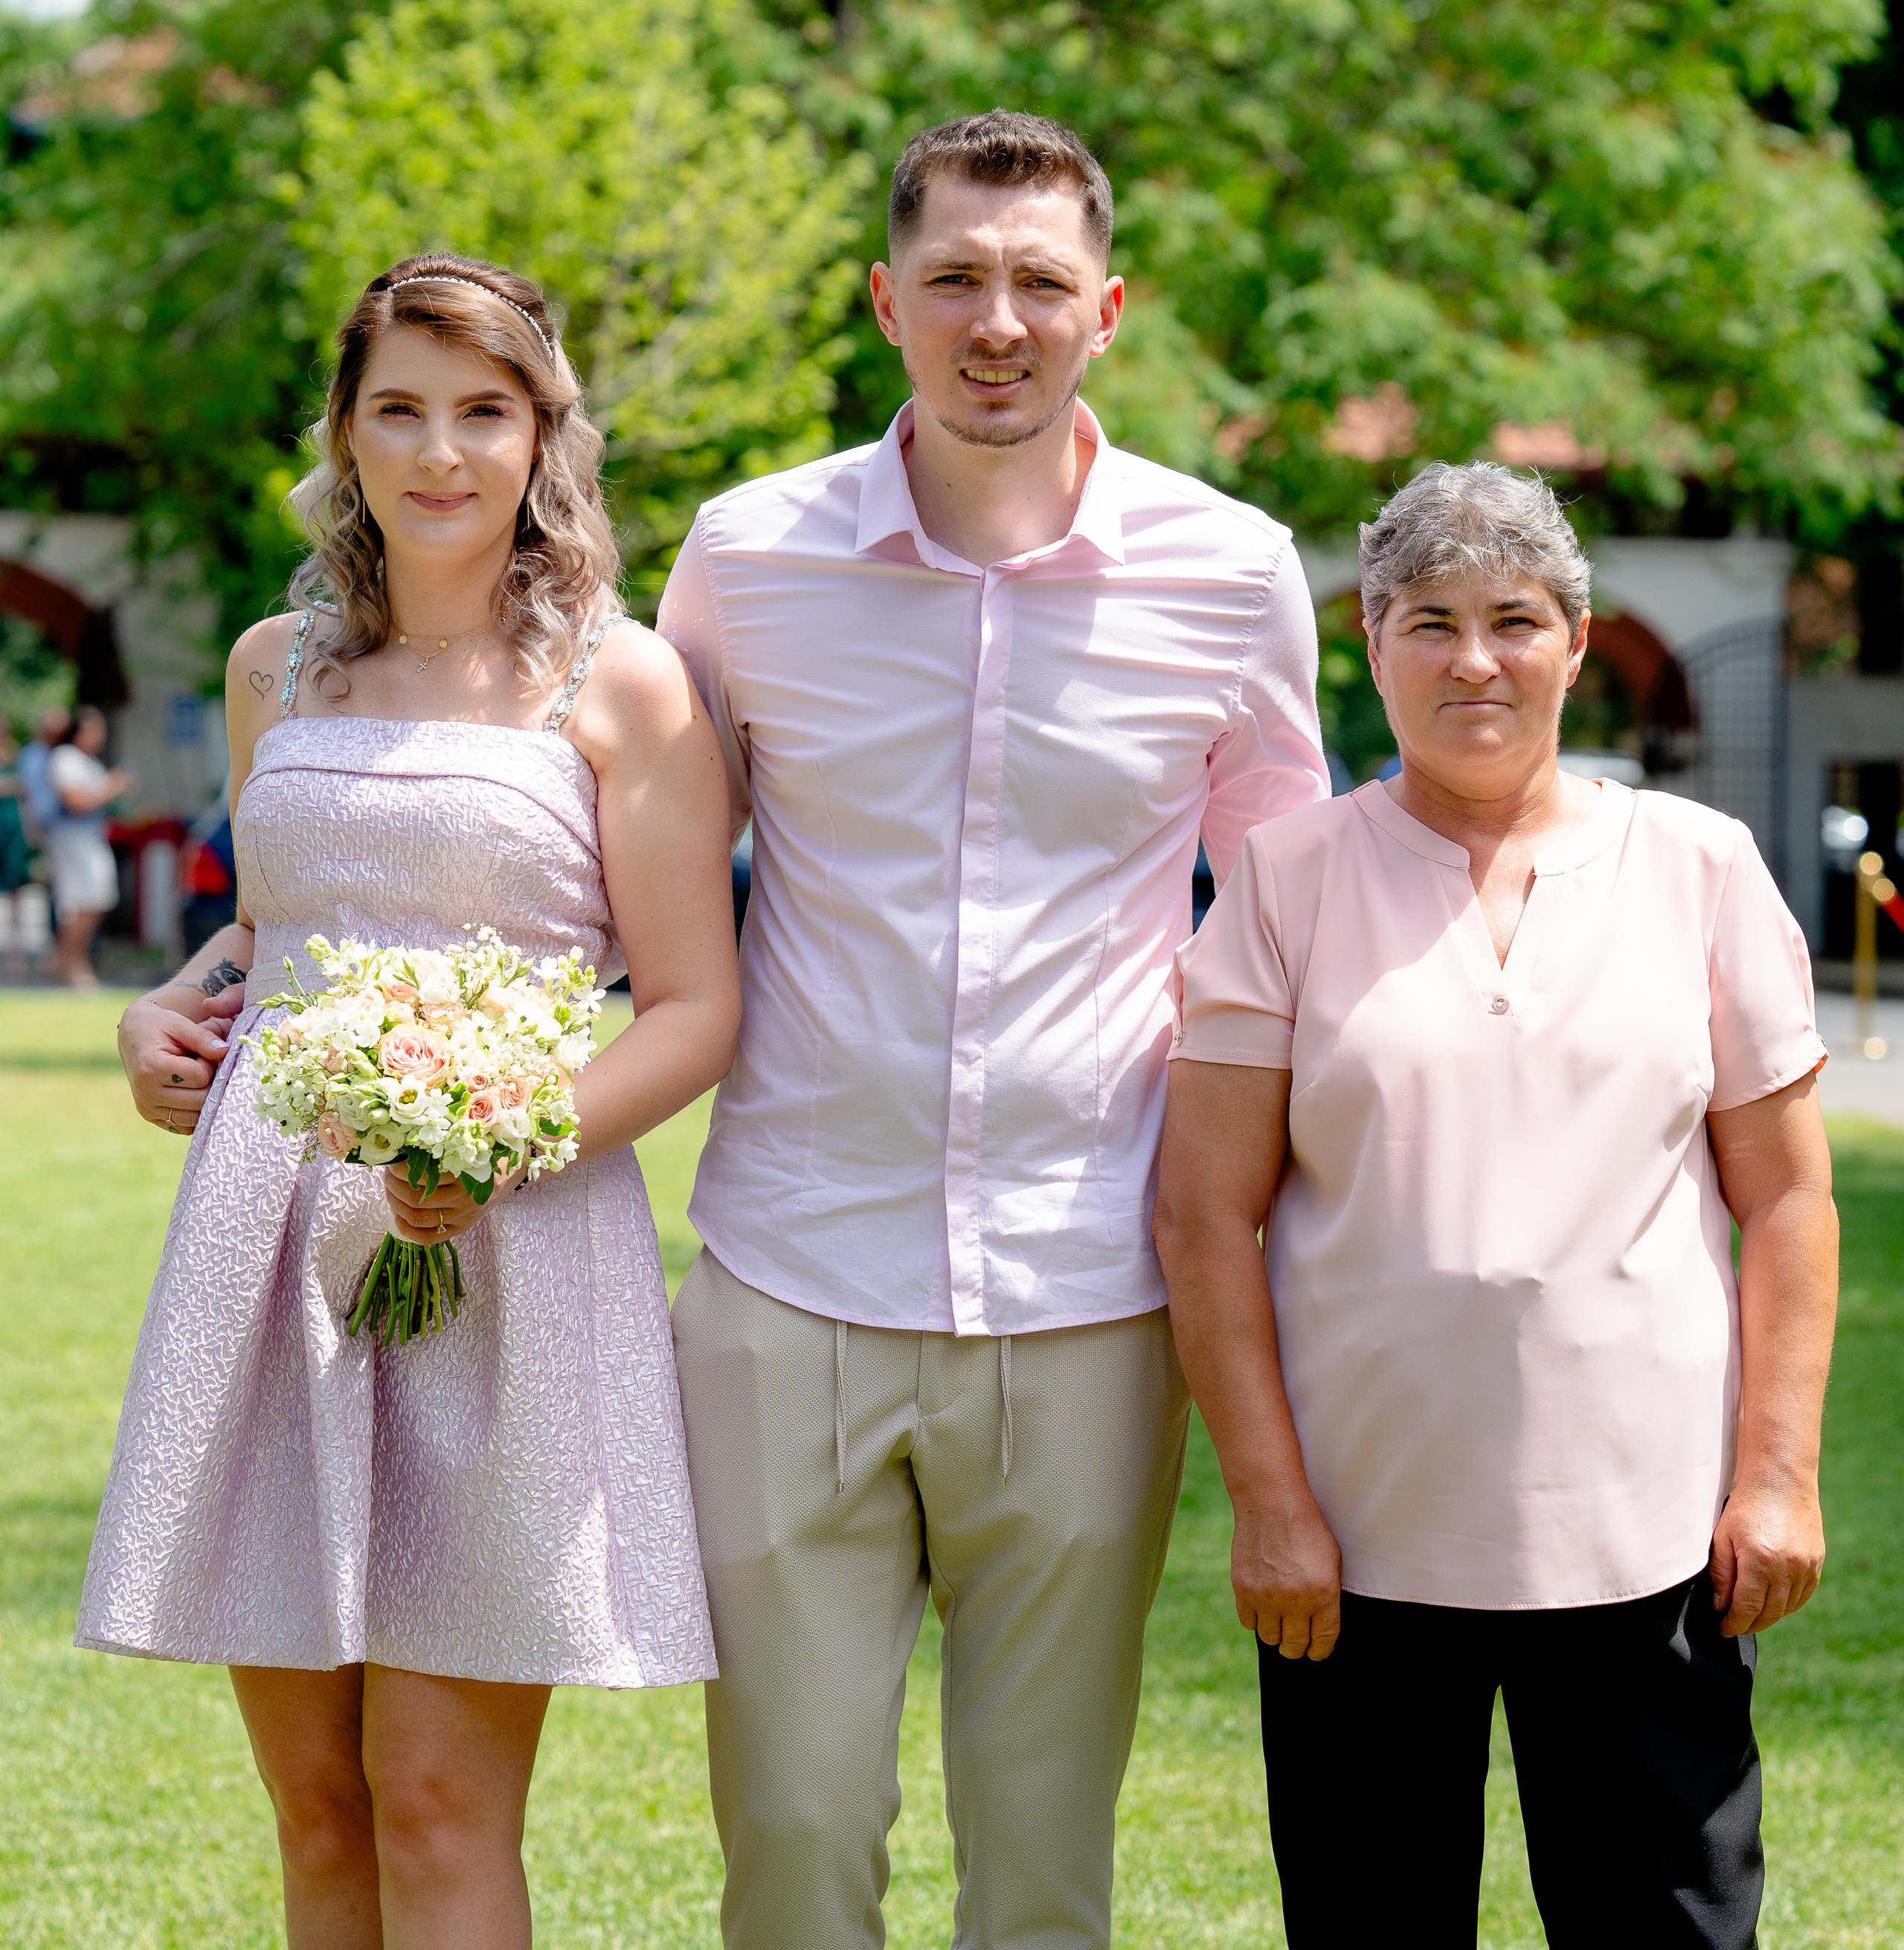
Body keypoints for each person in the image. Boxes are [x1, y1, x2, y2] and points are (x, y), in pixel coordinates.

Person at [659, 111, 1328, 1949]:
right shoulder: (745, 557)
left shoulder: (1230, 568)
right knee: (791, 1836)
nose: (996, 318)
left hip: (1093, 1289)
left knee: (1041, 1865)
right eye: (954, 276)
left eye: (1038, 281)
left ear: (1103, 307)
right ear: (886, 299)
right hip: (789, 1272)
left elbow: (1286, 932)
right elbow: (623, 887)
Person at [84, 254, 738, 1950]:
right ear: (347, 434)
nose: (441, 452)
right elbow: (272, 919)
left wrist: (497, 1148)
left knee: (439, 1806)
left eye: (483, 411)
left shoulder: (624, 683)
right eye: (401, 410)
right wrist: (171, 1006)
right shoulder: (268, 668)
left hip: (510, 1254)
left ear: (540, 434)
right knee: (316, 1808)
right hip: (272, 1249)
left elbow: (691, 1007)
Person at [1154, 461, 1837, 1949]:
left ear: (1574, 644)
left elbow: (1783, 1196)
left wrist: (1773, 1477)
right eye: (1429, 620)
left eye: (1514, 619)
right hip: (1359, 1541)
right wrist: (1269, 1507)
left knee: (1665, 1927)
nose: (1474, 658)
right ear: (1371, 645)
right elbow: (1202, 1218)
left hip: (1646, 1536)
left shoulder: (1698, 869)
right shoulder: (1283, 881)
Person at [46, 704, 136, 988]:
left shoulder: (88, 762)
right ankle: (71, 963)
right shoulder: (65, 758)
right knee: (80, 902)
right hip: (74, 839)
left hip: (92, 837)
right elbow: (76, 802)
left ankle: (66, 959)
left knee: (98, 899)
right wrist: (112, 786)